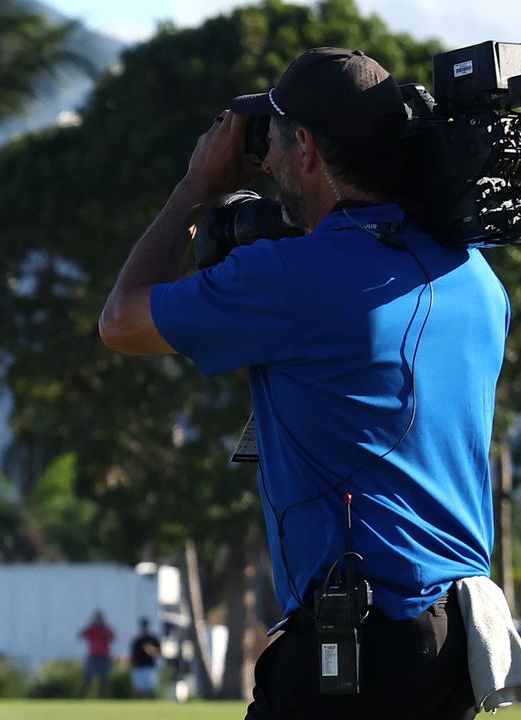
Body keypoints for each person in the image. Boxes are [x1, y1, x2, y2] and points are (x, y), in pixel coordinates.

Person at [100, 47, 509, 719]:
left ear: (309, 150)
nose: (270, 160)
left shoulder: (290, 278)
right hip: (456, 644)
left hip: (357, 647)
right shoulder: (475, 279)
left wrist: (195, 188)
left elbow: (121, 322)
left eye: (277, 142)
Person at [77, 611, 114, 698]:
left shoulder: (106, 629)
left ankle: (103, 698)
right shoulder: (91, 629)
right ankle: (81, 697)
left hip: (104, 657)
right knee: (87, 678)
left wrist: (104, 627)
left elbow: (112, 637)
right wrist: (91, 625)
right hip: (93, 657)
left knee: (104, 680)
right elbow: (81, 635)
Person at [128, 618, 161, 699]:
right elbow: (133, 656)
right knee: (139, 689)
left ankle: (151, 704)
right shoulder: (137, 641)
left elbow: (159, 653)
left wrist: (151, 649)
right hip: (138, 668)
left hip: (149, 667)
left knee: (150, 688)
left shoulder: (153, 639)